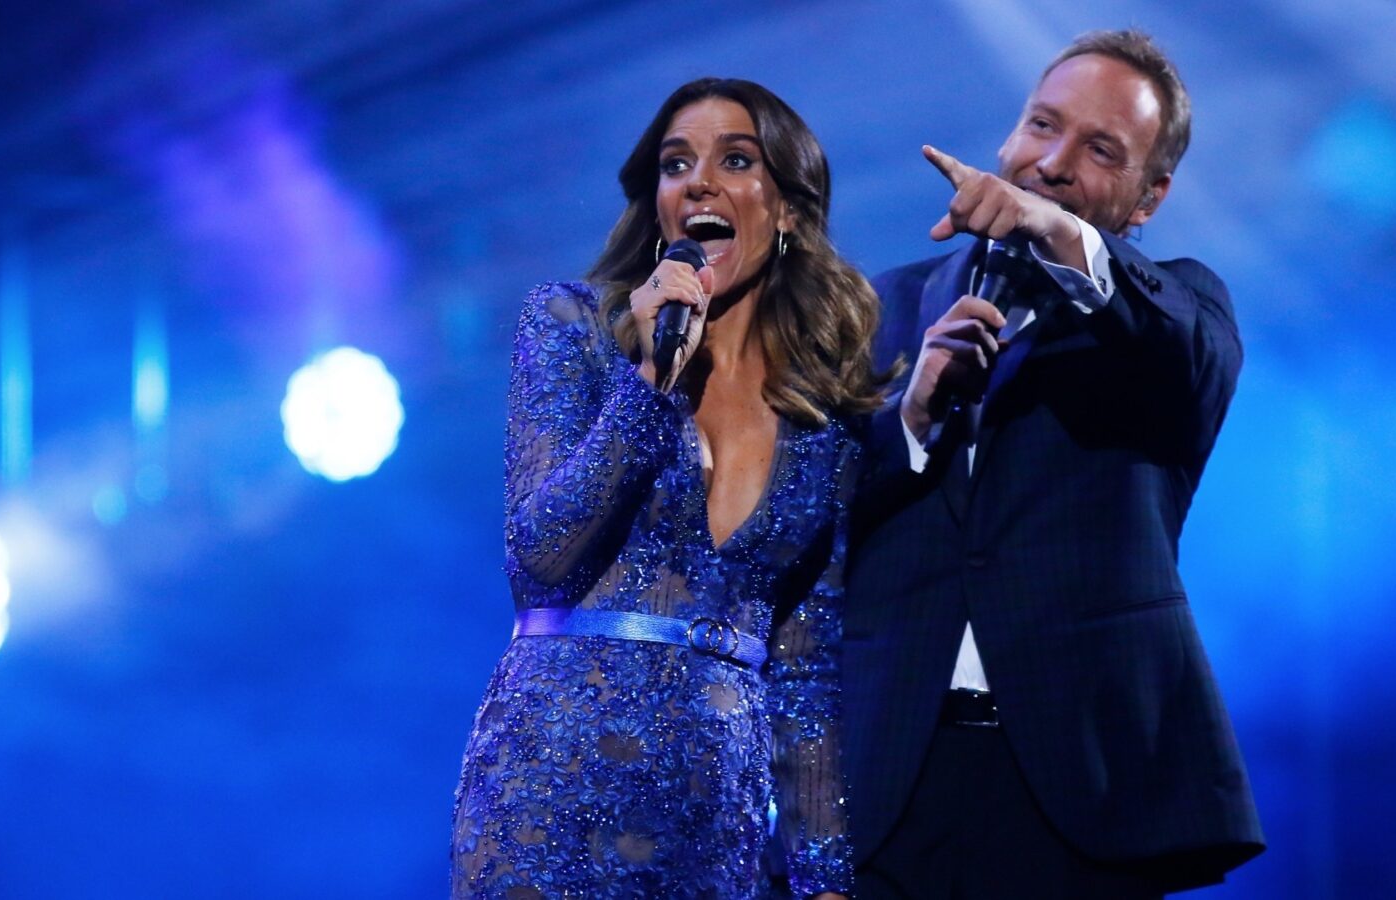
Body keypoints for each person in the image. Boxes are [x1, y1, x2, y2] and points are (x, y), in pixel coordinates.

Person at [841, 30, 1265, 898]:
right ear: (1010, 134)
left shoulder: (1179, 309)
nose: (1054, 163)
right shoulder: (881, 307)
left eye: (1100, 150)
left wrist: (1053, 229)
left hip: (1083, 790)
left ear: (1149, 197)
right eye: (1043, 125)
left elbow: (1188, 354)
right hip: (886, 777)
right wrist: (912, 419)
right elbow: (808, 519)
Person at [450, 77, 890, 899]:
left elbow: (804, 668)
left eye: (737, 160)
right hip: (554, 790)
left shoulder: (822, 421)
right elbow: (539, 559)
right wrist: (650, 381)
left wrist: (824, 880)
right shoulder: (577, 330)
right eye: (676, 164)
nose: (699, 183)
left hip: (712, 820)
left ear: (788, 211)